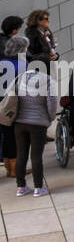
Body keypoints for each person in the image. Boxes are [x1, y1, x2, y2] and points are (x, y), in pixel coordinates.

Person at [12, 46, 58, 197]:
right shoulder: (48, 80)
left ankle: (21, 187)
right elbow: (51, 105)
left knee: (21, 154)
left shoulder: (21, 78)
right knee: (36, 156)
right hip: (38, 123)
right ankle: (38, 188)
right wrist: (50, 119)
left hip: (19, 122)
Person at [1, 33, 26, 178]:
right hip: (15, 103)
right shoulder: (22, 65)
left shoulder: (2, 61)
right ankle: (15, 168)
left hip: (2, 103)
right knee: (16, 137)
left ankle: (8, 167)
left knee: (6, 135)